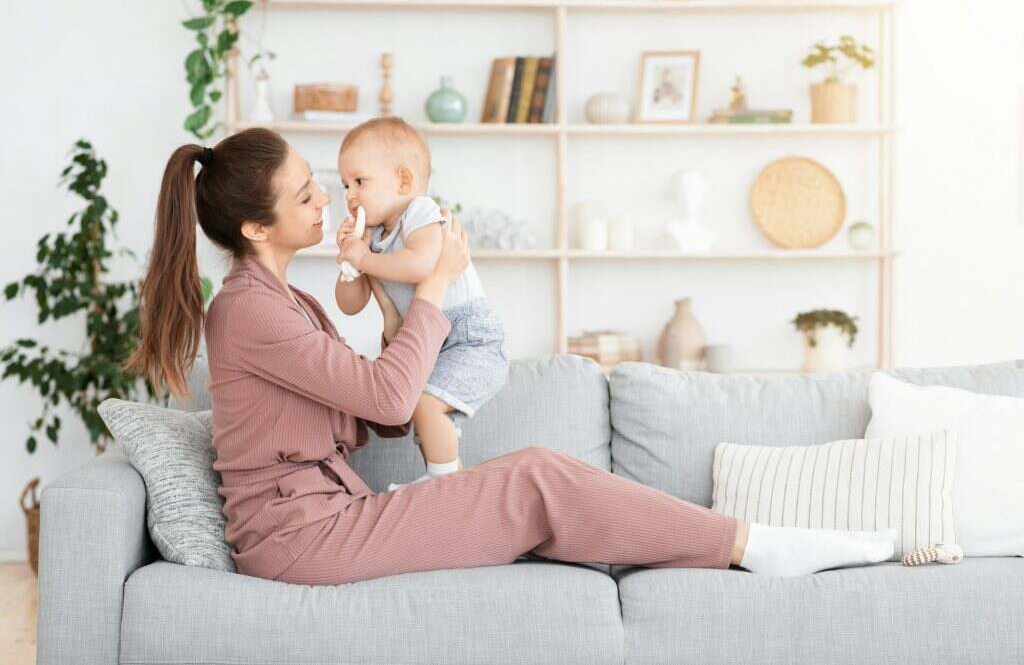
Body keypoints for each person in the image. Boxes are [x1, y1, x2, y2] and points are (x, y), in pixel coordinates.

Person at [124, 126, 897, 586]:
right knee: (536, 476)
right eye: (304, 196)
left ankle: (739, 543)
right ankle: (755, 545)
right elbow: (387, 402)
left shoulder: (291, 301)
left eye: (317, 184)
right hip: (302, 543)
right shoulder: (248, 311)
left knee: (545, 482)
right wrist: (434, 286)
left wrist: (403, 333)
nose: (328, 198)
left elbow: (373, 415)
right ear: (256, 229)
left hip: (327, 519)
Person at [332, 117, 509, 491]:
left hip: (469, 337)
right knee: (426, 422)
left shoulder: (421, 212)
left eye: (360, 181)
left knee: (427, 406)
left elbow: (421, 265)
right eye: (345, 185)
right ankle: (454, 491)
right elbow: (350, 304)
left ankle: (440, 486)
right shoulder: (374, 238)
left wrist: (364, 258)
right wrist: (350, 260)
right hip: (430, 343)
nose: (350, 195)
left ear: (403, 181)